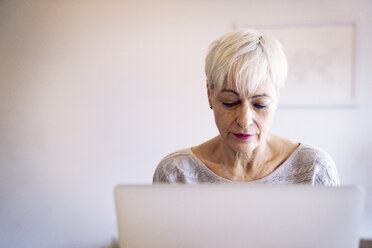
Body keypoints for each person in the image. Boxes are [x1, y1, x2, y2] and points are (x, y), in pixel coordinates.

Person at [153, 29, 339, 185]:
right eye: (229, 102)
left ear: (277, 98)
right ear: (210, 94)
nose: (244, 120)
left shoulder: (314, 168)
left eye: (260, 104)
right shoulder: (176, 173)